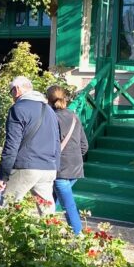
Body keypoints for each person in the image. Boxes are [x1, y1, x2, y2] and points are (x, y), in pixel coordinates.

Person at [0, 76, 60, 215]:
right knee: (47, 213)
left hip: (26, 167)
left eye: (11, 91)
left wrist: (3, 175)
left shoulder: (18, 109)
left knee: (5, 208)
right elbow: (56, 142)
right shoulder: (50, 111)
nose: (11, 95)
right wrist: (55, 167)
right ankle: (50, 236)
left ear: (17, 89)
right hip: (48, 168)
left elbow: (11, 145)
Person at [46, 85, 88, 235]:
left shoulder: (50, 117)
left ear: (48, 100)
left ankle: (79, 236)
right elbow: (84, 146)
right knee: (49, 202)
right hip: (75, 168)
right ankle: (47, 232)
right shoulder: (74, 116)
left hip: (59, 169)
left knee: (68, 205)